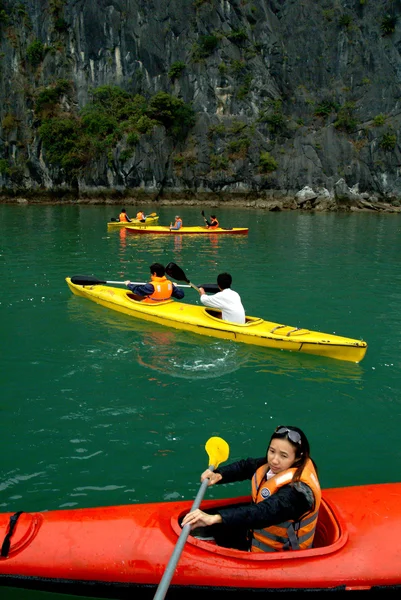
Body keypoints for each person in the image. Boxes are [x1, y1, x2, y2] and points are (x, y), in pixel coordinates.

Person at [182, 425, 321, 553]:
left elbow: (265, 512)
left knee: (219, 520)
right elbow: (247, 466)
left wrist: (215, 518)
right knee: (220, 523)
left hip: (278, 553)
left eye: (283, 455)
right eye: (272, 451)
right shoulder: (275, 465)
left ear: (298, 458)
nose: (274, 460)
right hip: (256, 532)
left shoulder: (297, 493)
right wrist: (219, 474)